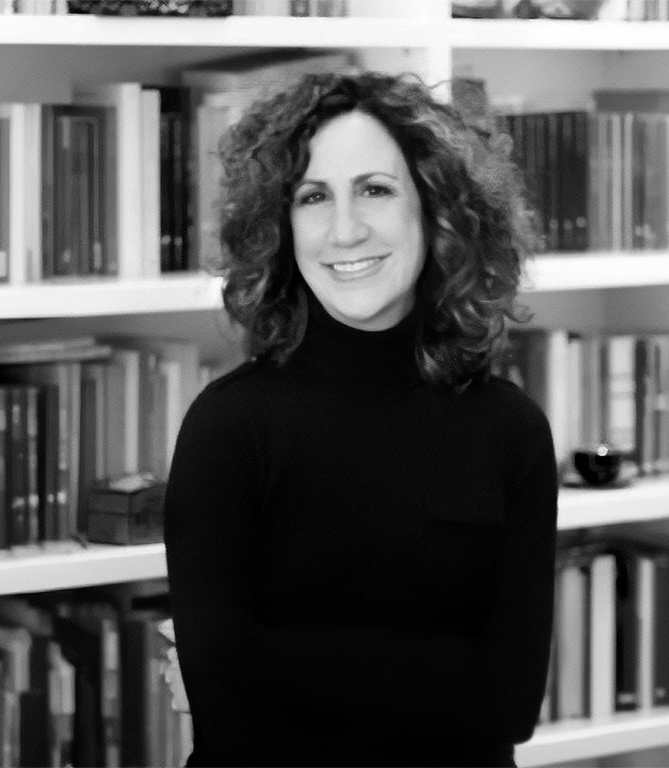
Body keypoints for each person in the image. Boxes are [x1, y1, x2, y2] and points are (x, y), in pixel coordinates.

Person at [164, 70, 559, 768]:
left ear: (435, 209)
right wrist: (446, 671)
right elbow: (227, 707)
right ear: (281, 227)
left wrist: (266, 659)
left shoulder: (511, 432)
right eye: (313, 197)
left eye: (375, 189)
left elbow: (510, 702)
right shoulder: (228, 428)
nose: (345, 231)